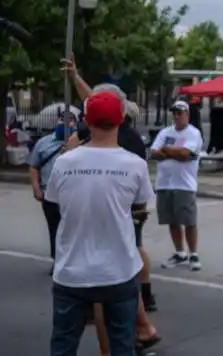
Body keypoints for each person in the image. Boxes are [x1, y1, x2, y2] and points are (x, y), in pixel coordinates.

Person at [46, 91, 155, 356]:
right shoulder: (135, 165)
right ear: (120, 120)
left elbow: (56, 202)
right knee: (122, 344)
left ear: (87, 122)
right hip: (118, 272)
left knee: (63, 344)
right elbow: (141, 208)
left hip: (72, 272)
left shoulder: (64, 163)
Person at [151, 100, 205, 271]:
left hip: (184, 184)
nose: (176, 115)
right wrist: (173, 152)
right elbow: (154, 153)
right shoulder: (165, 132)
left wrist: (167, 150)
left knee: (188, 221)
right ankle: (180, 253)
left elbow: (185, 154)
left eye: (180, 112)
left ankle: (193, 254)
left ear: (187, 114)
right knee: (172, 221)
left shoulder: (193, 133)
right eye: (174, 112)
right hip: (165, 183)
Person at [28, 111, 76, 275]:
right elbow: (34, 166)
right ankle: (57, 261)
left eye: (70, 121)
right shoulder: (44, 143)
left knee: (72, 229)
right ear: (58, 121)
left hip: (73, 195)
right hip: (49, 193)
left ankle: (72, 262)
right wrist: (36, 187)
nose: (66, 124)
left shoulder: (80, 143)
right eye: (63, 120)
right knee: (54, 229)